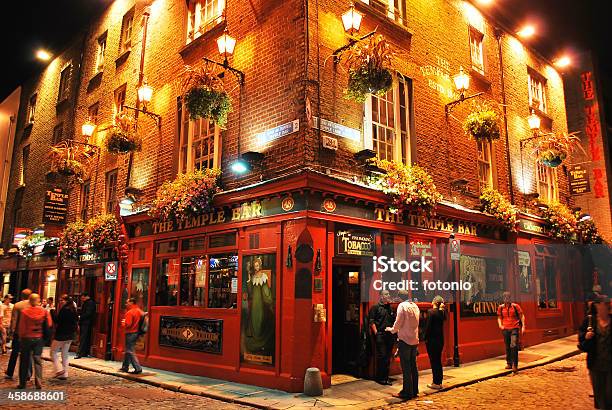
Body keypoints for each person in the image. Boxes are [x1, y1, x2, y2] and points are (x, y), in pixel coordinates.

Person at [386, 290, 420, 400]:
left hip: (405, 340)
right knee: (413, 366)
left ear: (399, 297)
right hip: (414, 340)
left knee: (406, 367)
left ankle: (406, 392)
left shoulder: (402, 306)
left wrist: (391, 330)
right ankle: (415, 390)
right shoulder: (415, 306)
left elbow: (398, 322)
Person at [579, 294, 612, 410]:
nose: (607, 306)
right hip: (595, 365)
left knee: (610, 394)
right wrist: (586, 337)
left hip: (610, 365)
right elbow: (581, 339)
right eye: (605, 303)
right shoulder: (590, 321)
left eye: (608, 303)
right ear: (597, 306)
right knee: (600, 396)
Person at [17, 293, 52, 389]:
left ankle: (22, 383)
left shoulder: (25, 312)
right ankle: (38, 382)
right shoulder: (44, 311)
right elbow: (49, 323)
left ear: (29, 301)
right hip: (39, 338)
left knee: (24, 360)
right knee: (37, 360)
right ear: (38, 300)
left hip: (26, 338)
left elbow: (22, 327)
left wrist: (20, 337)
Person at [368, 289, 396, 385]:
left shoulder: (390, 308)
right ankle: (380, 378)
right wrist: (376, 333)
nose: (388, 295)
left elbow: (394, 321)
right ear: (381, 296)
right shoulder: (375, 307)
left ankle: (385, 377)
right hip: (380, 335)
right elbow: (371, 321)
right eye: (386, 294)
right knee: (382, 356)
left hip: (389, 335)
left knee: (388, 357)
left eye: (388, 294)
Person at [4, 289, 32, 380]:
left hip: (19, 332)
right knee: (28, 353)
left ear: (21, 295)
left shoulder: (17, 305)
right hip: (30, 332)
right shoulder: (33, 305)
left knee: (15, 353)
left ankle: (10, 372)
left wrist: (11, 332)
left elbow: (14, 320)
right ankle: (28, 373)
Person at [50, 294, 78, 380]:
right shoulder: (73, 309)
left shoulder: (64, 310)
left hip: (62, 334)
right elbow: (76, 320)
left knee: (53, 352)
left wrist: (52, 312)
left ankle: (59, 369)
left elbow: (57, 321)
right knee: (65, 354)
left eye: (62, 300)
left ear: (66, 301)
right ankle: (65, 374)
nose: (60, 302)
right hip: (70, 334)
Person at [497, 291, 525, 373]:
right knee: (507, 346)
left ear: (510, 298)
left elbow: (522, 316)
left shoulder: (515, 306)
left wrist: (523, 326)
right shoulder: (501, 307)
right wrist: (500, 325)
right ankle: (509, 363)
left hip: (514, 328)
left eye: (508, 297)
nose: (506, 299)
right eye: (505, 297)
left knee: (513, 345)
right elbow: (499, 317)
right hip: (505, 329)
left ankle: (515, 365)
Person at [424, 296, 446, 390]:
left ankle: (435, 383)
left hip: (432, 340)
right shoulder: (442, 313)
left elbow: (428, 327)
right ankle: (439, 381)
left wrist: (424, 338)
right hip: (440, 340)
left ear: (433, 302)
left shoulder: (430, 312)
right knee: (438, 361)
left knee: (434, 361)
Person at [120, 297, 143, 374]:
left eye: (127, 302)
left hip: (130, 332)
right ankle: (125, 366)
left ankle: (137, 368)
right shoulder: (139, 311)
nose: (126, 304)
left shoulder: (130, 312)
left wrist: (123, 323)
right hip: (136, 332)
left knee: (130, 350)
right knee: (128, 350)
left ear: (131, 303)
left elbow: (128, 324)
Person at [76, 292, 96, 358]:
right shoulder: (88, 302)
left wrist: (80, 317)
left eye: (82, 297)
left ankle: (80, 353)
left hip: (86, 323)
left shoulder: (90, 303)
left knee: (83, 338)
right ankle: (84, 352)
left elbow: (88, 313)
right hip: (86, 323)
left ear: (87, 296)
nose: (82, 299)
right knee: (85, 338)